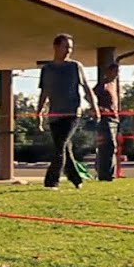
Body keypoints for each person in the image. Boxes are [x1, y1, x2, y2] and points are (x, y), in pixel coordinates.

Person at [35, 33, 101, 189]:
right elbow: (44, 93)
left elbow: (86, 87)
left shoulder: (75, 66)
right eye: (66, 47)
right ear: (56, 47)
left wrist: (95, 107)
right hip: (54, 115)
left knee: (60, 147)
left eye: (70, 48)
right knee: (64, 147)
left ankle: (51, 181)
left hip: (71, 113)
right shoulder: (47, 69)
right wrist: (39, 113)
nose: (68, 51)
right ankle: (76, 179)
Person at [94, 63, 121, 181]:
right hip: (105, 118)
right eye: (114, 71)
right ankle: (105, 174)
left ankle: (110, 173)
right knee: (108, 145)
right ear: (108, 72)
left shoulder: (114, 85)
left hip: (114, 118)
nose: (116, 74)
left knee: (113, 147)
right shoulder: (102, 85)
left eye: (117, 72)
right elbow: (89, 96)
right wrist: (98, 108)